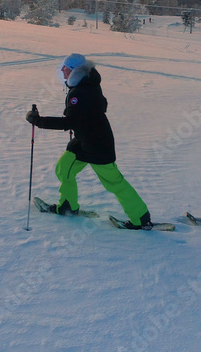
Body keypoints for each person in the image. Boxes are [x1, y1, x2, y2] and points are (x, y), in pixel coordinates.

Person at [27, 53, 152, 229]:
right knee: (64, 169)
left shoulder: (80, 91)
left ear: (74, 70)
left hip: (97, 145)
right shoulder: (86, 83)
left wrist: (39, 121)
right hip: (83, 142)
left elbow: (71, 121)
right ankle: (67, 206)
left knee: (114, 182)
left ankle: (141, 219)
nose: (62, 71)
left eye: (65, 67)